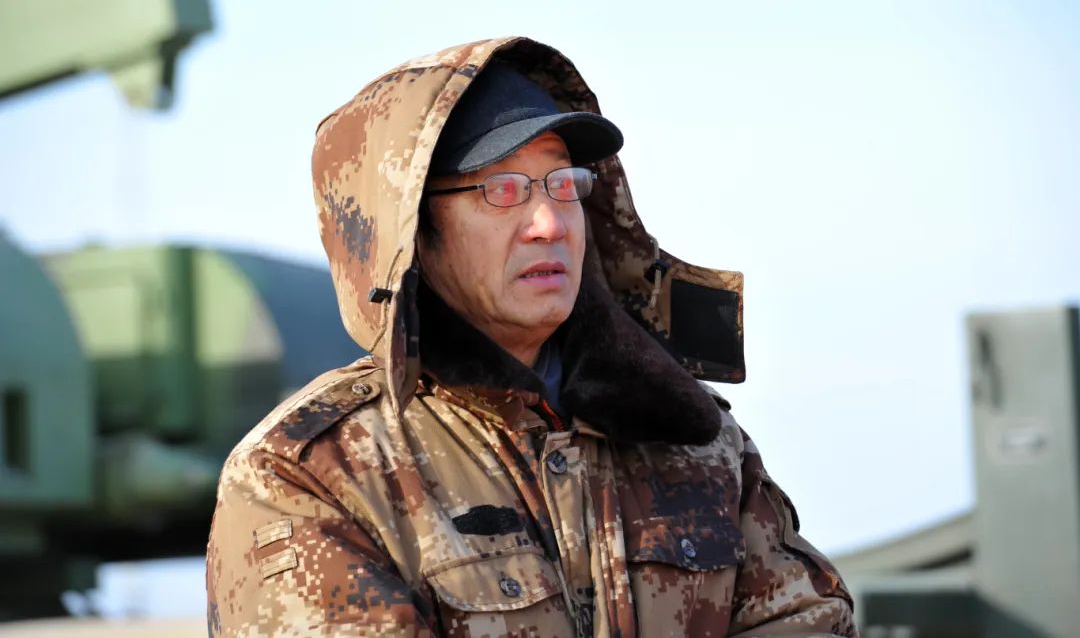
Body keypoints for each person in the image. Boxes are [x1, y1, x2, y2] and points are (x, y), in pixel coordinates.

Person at [206, 37, 856, 637]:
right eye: (503, 189)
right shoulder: (309, 473)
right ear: (413, 231)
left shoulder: (699, 442)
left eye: (563, 183)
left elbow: (804, 621)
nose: (549, 222)